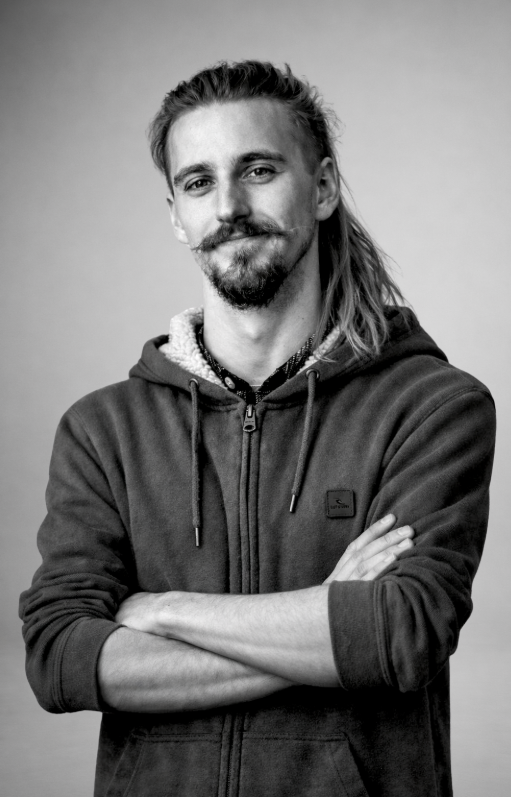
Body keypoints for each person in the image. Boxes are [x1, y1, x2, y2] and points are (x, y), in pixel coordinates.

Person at [20, 61, 495, 797]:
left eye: (259, 169)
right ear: (176, 213)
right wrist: (325, 626)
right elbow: (60, 657)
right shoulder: (102, 429)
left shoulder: (431, 406)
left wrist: (162, 611)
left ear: (325, 187)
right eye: (198, 182)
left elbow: (398, 635)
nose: (230, 205)